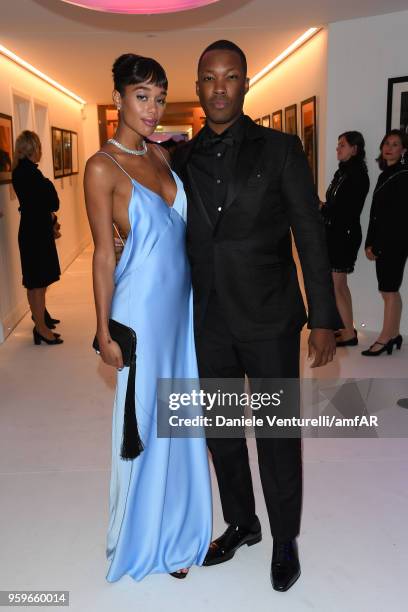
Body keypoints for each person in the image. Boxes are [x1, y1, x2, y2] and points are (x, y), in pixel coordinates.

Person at [172, 40, 342, 592]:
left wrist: (324, 316)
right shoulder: (178, 160)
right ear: (197, 87)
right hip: (210, 322)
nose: (219, 86)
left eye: (230, 77)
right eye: (209, 77)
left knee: (275, 434)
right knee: (221, 431)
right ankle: (242, 523)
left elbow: (309, 234)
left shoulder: (282, 149)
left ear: (245, 84)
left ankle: (285, 537)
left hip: (270, 320)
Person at [84, 54, 211, 582]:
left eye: (160, 98)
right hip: (139, 312)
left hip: (178, 312)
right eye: (143, 96)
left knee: (179, 417)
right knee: (145, 423)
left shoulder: (163, 157)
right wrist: (102, 329)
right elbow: (103, 253)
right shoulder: (100, 167)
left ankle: (179, 528)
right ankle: (143, 536)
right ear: (118, 98)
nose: (153, 109)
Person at [12, 131, 63, 346]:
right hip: (36, 234)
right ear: (33, 148)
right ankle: (41, 328)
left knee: (35, 281)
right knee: (38, 283)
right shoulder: (30, 173)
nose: (41, 150)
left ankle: (40, 321)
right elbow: (52, 201)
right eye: (39, 146)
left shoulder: (22, 171)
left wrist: (50, 215)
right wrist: (49, 186)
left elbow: (39, 204)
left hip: (33, 230)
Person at [320, 131, 369, 347]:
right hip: (339, 233)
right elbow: (335, 206)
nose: (338, 149)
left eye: (342, 145)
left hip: (344, 235)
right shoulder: (344, 173)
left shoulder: (356, 175)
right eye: (338, 144)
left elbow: (343, 211)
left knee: (337, 285)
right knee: (341, 285)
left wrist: (321, 207)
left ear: (354, 149)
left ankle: (348, 333)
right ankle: (347, 328)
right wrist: (324, 207)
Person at [362, 129, 408, 356]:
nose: (389, 147)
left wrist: (379, 246)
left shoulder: (403, 175)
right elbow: (375, 214)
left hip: (396, 242)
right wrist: (369, 242)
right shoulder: (384, 175)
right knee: (389, 291)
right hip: (383, 241)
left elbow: (397, 218)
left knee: (388, 291)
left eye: (395, 144)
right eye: (386, 143)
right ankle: (395, 333)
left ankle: (385, 337)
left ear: (403, 150)